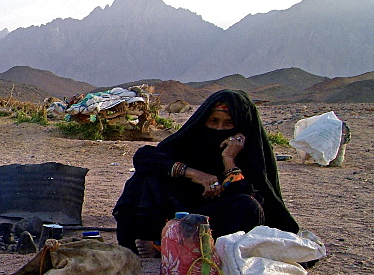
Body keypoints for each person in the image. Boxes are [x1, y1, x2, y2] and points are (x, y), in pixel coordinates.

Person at [113, 89, 298, 257]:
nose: (218, 128)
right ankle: (156, 239)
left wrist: (229, 161)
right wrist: (194, 174)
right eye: (214, 121)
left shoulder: (251, 154)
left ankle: (176, 246)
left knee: (248, 207)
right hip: (177, 212)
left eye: (228, 123)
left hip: (214, 220)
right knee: (146, 175)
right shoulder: (192, 141)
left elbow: (250, 196)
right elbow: (144, 157)